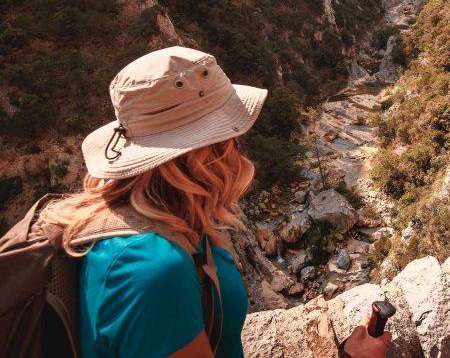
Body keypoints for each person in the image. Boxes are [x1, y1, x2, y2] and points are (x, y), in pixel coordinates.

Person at [38, 46, 387, 358]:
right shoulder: (154, 272)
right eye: (231, 137)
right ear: (208, 153)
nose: (239, 149)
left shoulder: (143, 222)